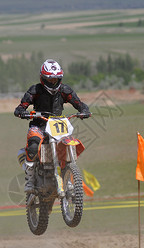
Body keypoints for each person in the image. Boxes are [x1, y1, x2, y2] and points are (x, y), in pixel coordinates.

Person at [14, 59, 90, 193]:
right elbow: (21, 107)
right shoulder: (35, 90)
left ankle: (70, 173)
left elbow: (79, 103)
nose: (54, 82)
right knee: (33, 145)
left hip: (58, 124)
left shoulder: (65, 90)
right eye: (50, 80)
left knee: (69, 143)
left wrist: (84, 111)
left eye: (56, 79)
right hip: (39, 124)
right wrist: (22, 112)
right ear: (43, 78)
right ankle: (30, 179)